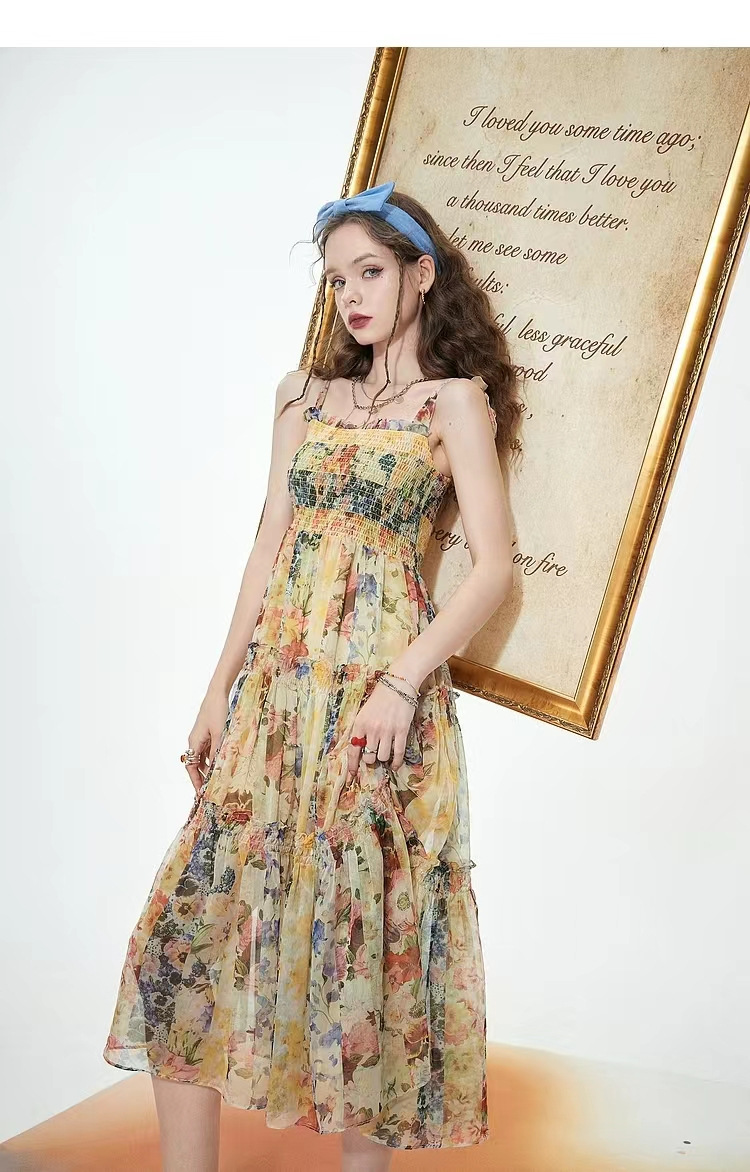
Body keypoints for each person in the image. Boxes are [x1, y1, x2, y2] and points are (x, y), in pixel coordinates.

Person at [102, 178, 521, 1172]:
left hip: (380, 706)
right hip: (277, 703)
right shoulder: (301, 395)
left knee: (361, 949)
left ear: (421, 274)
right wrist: (217, 690)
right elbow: (267, 547)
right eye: (337, 280)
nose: (352, 296)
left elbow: (494, 567)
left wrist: (403, 682)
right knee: (184, 937)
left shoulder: (452, 402)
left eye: (370, 272)